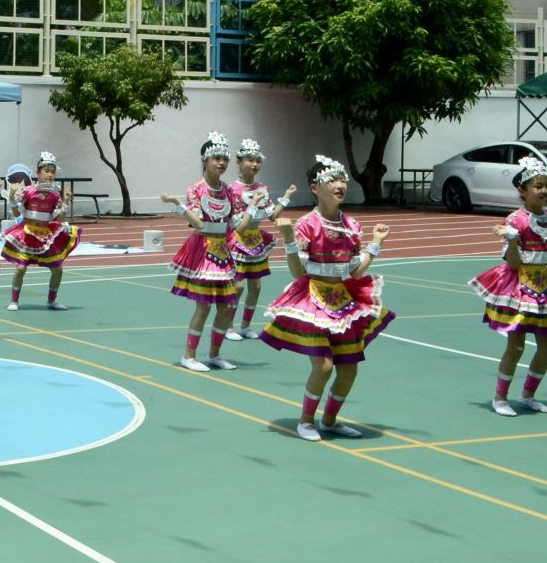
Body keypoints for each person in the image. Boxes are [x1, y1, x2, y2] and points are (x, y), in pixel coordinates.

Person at [261, 156, 395, 441]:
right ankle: (306, 421)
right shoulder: (306, 225)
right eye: (331, 180)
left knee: (349, 370)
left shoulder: (352, 225)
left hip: (343, 302)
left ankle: (330, 421)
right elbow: (298, 272)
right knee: (323, 366)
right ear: (314, 188)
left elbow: (354, 271)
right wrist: (288, 238)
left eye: (342, 179)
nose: (339, 185)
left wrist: (376, 243)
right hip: (313, 301)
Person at [470, 156, 547, 416]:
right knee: (516, 346)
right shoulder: (516, 220)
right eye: (538, 186)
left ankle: (528, 395)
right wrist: (512, 240)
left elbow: (546, 257)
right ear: (522, 190)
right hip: (518, 288)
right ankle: (500, 398)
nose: (545, 190)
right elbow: (514, 263)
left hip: (543, 287)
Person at [163, 132, 243, 371]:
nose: (221, 162)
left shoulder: (229, 191)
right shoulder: (195, 190)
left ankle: (214, 355)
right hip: (203, 250)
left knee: (226, 306)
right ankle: (189, 355)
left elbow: (236, 224)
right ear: (204, 160)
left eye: (224, 158)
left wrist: (255, 208)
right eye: (216, 158)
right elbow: (198, 224)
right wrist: (178, 205)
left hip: (222, 251)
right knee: (204, 305)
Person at [225, 138, 296, 341]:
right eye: (250, 160)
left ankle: (245, 326)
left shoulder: (262, 188)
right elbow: (235, 221)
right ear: (239, 162)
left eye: (258, 161)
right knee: (238, 286)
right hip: (238, 240)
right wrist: (252, 206)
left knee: (255, 287)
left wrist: (287, 196)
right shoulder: (232, 189)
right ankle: (228, 326)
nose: (254, 164)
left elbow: (272, 215)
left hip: (256, 241)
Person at [0, 151, 75, 312]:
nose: (50, 175)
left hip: (45, 235)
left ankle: (51, 301)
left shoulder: (55, 195)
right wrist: (12, 199)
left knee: (58, 269)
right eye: (46, 171)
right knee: (20, 268)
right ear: (38, 173)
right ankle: (14, 300)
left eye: (52, 172)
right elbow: (17, 213)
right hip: (26, 234)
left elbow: (59, 219)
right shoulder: (28, 191)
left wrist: (66, 201)